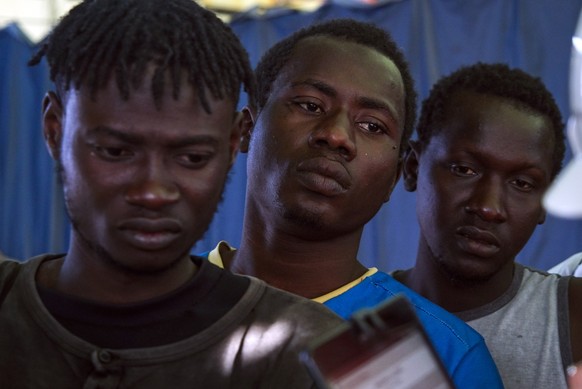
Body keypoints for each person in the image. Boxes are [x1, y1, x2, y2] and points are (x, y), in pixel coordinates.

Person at [0, 1, 345, 388]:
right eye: (115, 151)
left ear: (233, 144)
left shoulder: (311, 353)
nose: (153, 192)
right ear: (54, 130)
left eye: (193, 158)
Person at [205, 19, 503, 388]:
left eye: (373, 126)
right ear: (246, 130)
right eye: (311, 105)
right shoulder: (151, 300)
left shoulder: (447, 356)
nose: (336, 135)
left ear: (394, 178)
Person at [393, 62, 582, 388]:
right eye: (464, 170)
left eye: (523, 184)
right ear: (412, 167)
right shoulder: (354, 319)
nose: (488, 207)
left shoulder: (574, 315)